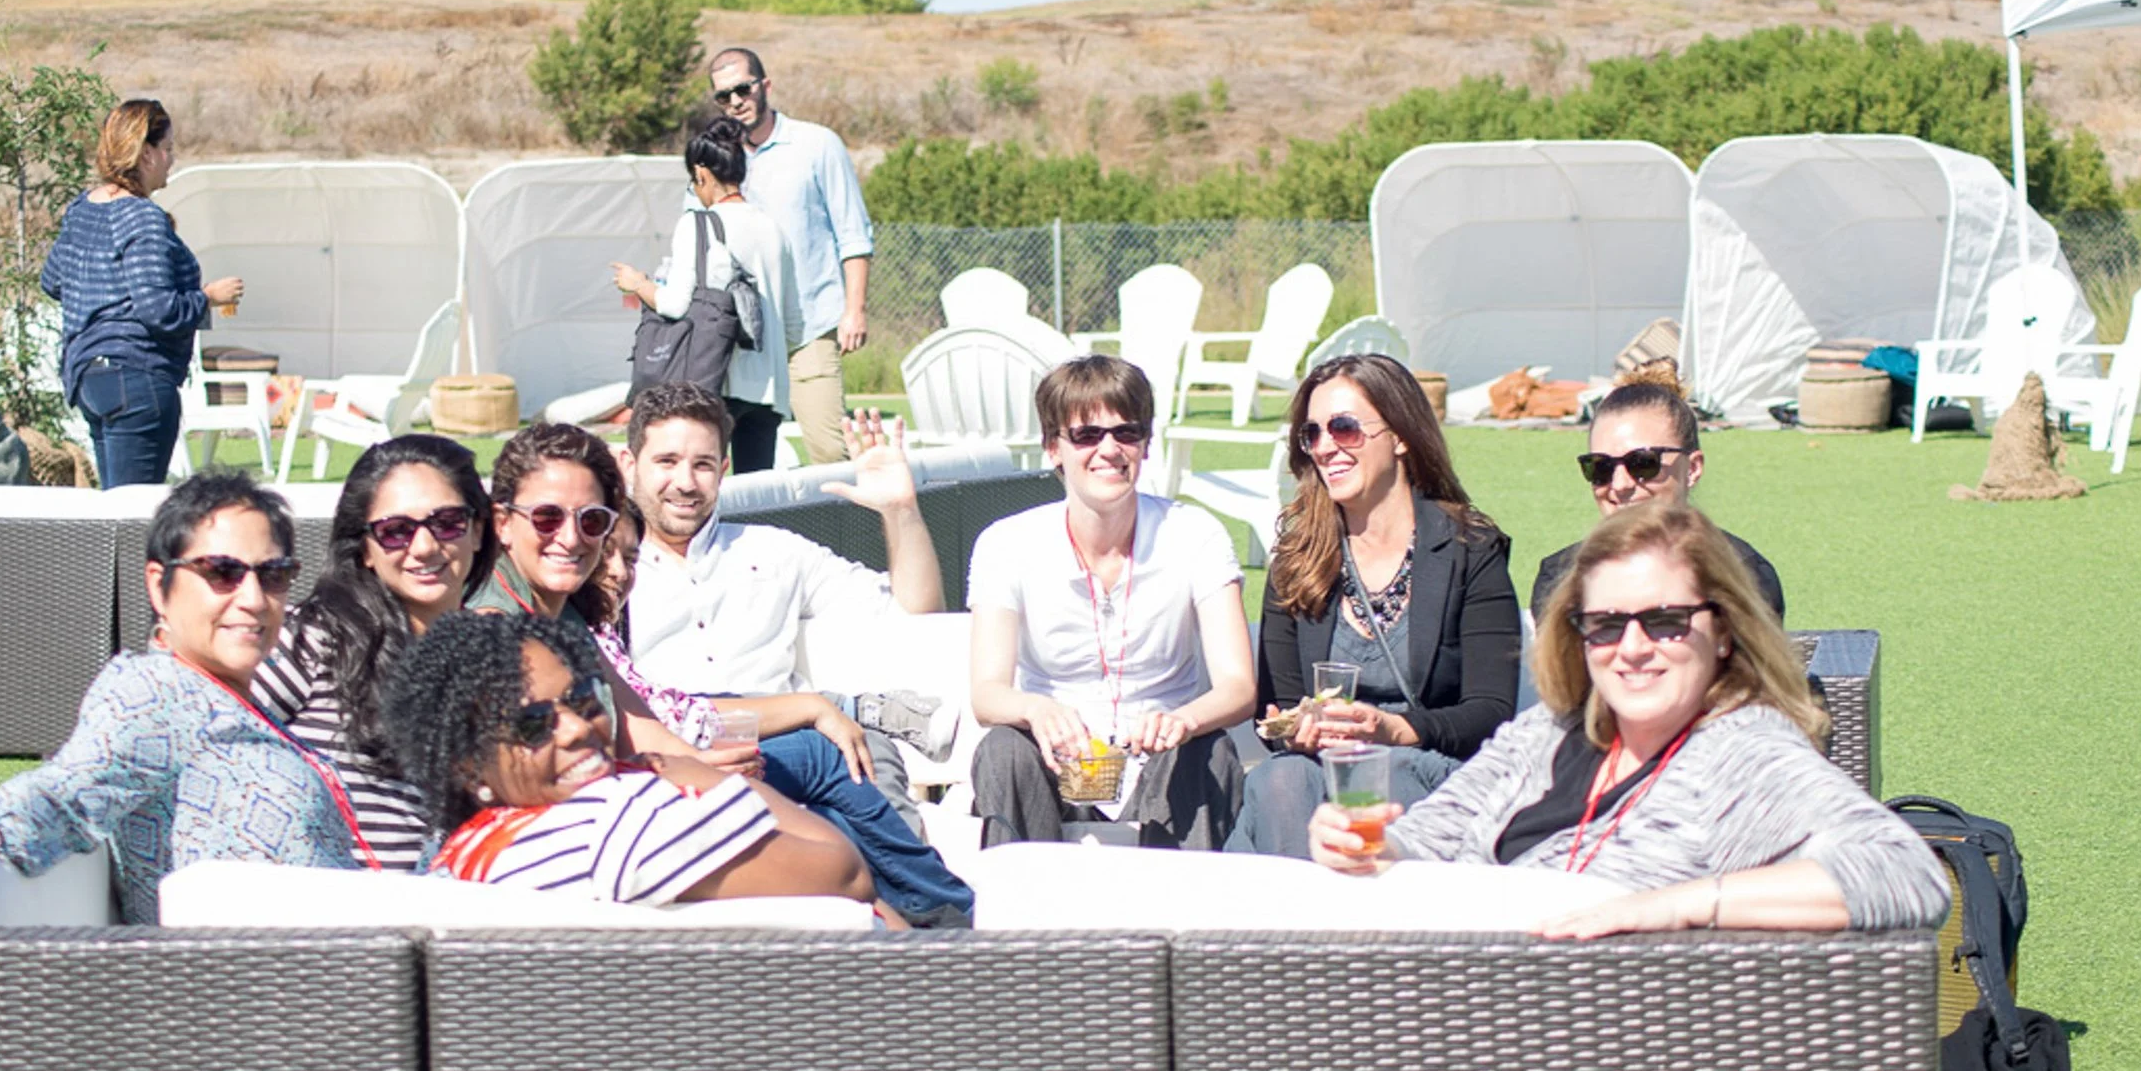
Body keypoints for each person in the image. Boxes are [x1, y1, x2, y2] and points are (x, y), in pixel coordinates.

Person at [1311, 502, 1947, 938]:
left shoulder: (1740, 750)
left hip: (1614, 1070)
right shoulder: (1551, 734)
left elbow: (1906, 873)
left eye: (1666, 621)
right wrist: (1361, 845)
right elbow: (1426, 844)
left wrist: (1681, 906)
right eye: (1607, 625)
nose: (1634, 647)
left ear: (1722, 631)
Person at [482, 420, 969, 925]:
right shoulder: (500, 630)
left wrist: (901, 511)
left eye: (592, 523)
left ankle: (936, 927)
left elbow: (636, 723)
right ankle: (950, 917)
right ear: (501, 523)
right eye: (545, 518)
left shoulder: (574, 610)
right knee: (834, 806)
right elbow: (568, 758)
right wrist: (701, 771)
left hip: (677, 766)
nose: (571, 538)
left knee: (845, 803)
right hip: (608, 821)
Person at [0, 473, 361, 922]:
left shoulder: (228, 696)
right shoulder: (155, 691)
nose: (254, 598)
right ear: (159, 585)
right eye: (222, 572)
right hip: (257, 987)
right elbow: (68, 790)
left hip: (330, 972)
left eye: (274, 574)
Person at [1225, 352, 1520, 858]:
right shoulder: (1297, 561)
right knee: (1283, 778)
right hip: (1317, 774)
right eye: (1311, 434)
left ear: (1400, 435)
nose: (1325, 447)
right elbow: (1275, 714)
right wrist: (1296, 730)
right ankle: (1308, 934)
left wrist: (1393, 729)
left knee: (1388, 776)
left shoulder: (1469, 550)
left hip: (1423, 767)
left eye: (1344, 428)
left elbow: (1491, 711)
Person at [382, 608, 872, 907]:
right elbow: (846, 875)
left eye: (581, 700)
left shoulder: (468, 854)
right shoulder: (613, 826)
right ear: (467, 765)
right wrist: (701, 775)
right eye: (532, 725)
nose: (576, 729)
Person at [619, 382, 952, 808]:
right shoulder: (603, 569)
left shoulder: (774, 551)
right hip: (673, 767)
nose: (685, 482)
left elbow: (916, 611)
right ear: (629, 465)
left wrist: (900, 511)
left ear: (723, 470)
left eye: (702, 465)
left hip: (789, 756)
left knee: (867, 756)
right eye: (667, 461)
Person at [968, 355, 1256, 848]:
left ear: (1145, 444)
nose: (1109, 450)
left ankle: (1192, 918)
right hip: (1056, 758)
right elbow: (986, 694)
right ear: (1053, 448)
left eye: (1127, 433)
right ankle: (1021, 916)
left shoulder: (1195, 534)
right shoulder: (1006, 543)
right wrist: (1036, 710)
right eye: (1086, 436)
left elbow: (1238, 687)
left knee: (1210, 752)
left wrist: (1183, 720)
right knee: (1002, 750)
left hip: (1163, 756)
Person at [251, 434, 497, 869]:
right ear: (364, 549)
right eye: (396, 531)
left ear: (478, 531)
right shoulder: (309, 640)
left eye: (447, 522)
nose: (424, 547)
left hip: (451, 912)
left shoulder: (493, 658)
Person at [41, 99, 243, 488]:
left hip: (88, 376)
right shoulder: (142, 217)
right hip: (137, 378)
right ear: (146, 153)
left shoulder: (81, 209)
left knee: (113, 512)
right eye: (168, 150)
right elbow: (158, 311)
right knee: (136, 517)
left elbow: (52, 281)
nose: (172, 160)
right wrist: (209, 297)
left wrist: (101, 286)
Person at [707, 47, 872, 465]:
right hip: (745, 337)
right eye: (723, 96)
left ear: (765, 86)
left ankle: (848, 531)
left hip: (809, 328)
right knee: (736, 460)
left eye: (742, 89)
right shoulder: (718, 157)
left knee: (829, 451)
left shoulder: (816, 145)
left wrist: (854, 310)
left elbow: (853, 234)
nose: (735, 102)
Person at [611, 116, 798, 473]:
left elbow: (674, 304)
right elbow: (791, 319)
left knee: (702, 490)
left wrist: (637, 284)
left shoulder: (697, 225)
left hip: (717, 380)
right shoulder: (774, 230)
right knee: (755, 496)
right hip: (770, 389)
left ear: (701, 174)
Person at [1530, 360, 1785, 621]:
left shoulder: (1744, 577)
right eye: (1601, 467)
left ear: (1692, 468)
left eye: (1643, 463)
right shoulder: (1560, 581)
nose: (1620, 485)